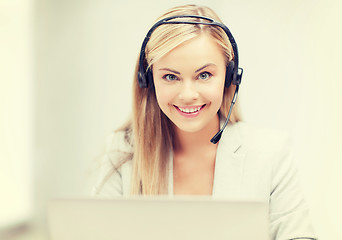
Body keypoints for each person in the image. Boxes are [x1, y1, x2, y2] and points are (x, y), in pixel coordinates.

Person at [93, 4, 317, 240]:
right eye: (170, 76)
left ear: (230, 78)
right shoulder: (122, 151)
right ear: (148, 80)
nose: (188, 94)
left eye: (204, 75)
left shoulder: (271, 155)